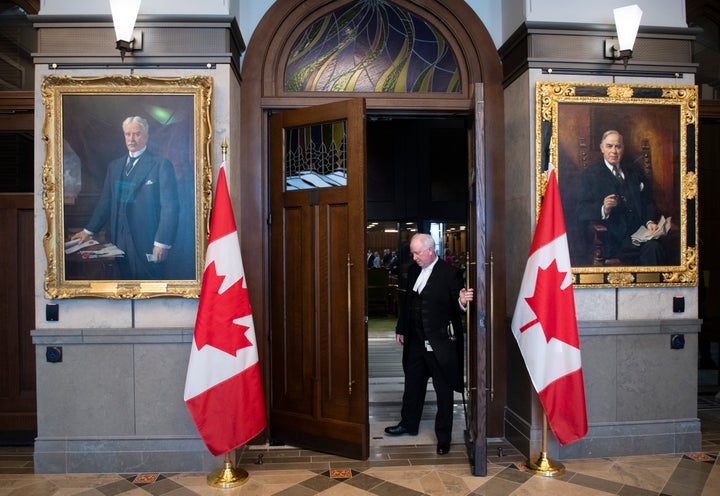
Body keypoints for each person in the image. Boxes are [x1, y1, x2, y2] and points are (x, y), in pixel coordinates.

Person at [384, 233, 473, 455]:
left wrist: (462, 302)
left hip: (440, 343)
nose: (413, 257)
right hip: (415, 341)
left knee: (444, 392)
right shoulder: (414, 270)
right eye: (412, 253)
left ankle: (444, 437)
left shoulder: (450, 274)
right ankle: (408, 424)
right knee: (413, 385)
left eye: (417, 253)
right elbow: (407, 303)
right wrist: (401, 328)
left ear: (430, 251)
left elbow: (458, 303)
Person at [71, 116, 179, 280]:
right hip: (116, 238)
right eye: (128, 134)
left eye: (136, 134)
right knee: (120, 283)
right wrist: (88, 230)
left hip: (147, 239)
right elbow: (105, 202)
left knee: (147, 287)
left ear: (146, 136)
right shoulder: (115, 166)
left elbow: (170, 207)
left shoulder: (160, 165)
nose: (132, 139)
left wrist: (162, 242)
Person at [577, 129, 663, 266]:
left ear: (623, 148)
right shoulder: (591, 175)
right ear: (602, 148)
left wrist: (650, 222)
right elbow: (581, 209)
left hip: (639, 235)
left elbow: (647, 202)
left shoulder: (634, 172)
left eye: (618, 146)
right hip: (612, 240)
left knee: (655, 248)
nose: (614, 151)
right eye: (609, 146)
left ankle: (651, 287)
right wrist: (604, 208)